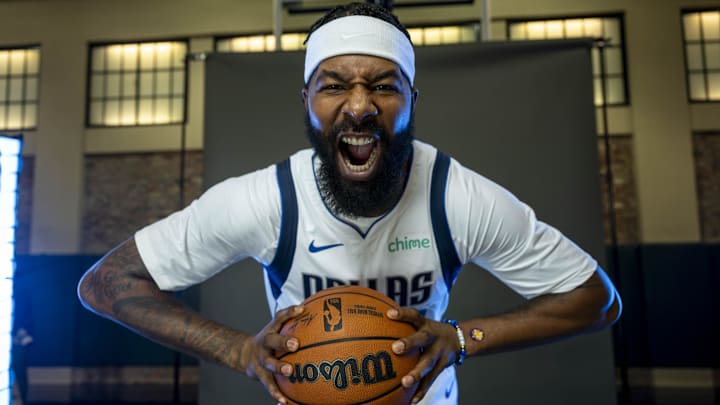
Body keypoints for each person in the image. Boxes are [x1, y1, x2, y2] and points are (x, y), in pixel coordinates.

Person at [77, 3, 622, 404]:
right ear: (308, 101)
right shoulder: (268, 200)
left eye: (384, 86)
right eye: (334, 86)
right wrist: (237, 350)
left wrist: (460, 337)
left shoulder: (456, 196)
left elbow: (597, 299)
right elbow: (105, 283)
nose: (359, 107)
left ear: (411, 100)